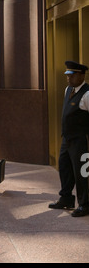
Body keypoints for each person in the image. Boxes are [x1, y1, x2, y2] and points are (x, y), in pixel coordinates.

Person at [49, 61, 89, 217]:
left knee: (82, 173)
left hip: (81, 141)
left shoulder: (87, 93)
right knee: (64, 168)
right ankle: (66, 198)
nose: (68, 78)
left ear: (81, 75)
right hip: (67, 139)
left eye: (71, 75)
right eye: (67, 75)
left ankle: (85, 204)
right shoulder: (68, 90)